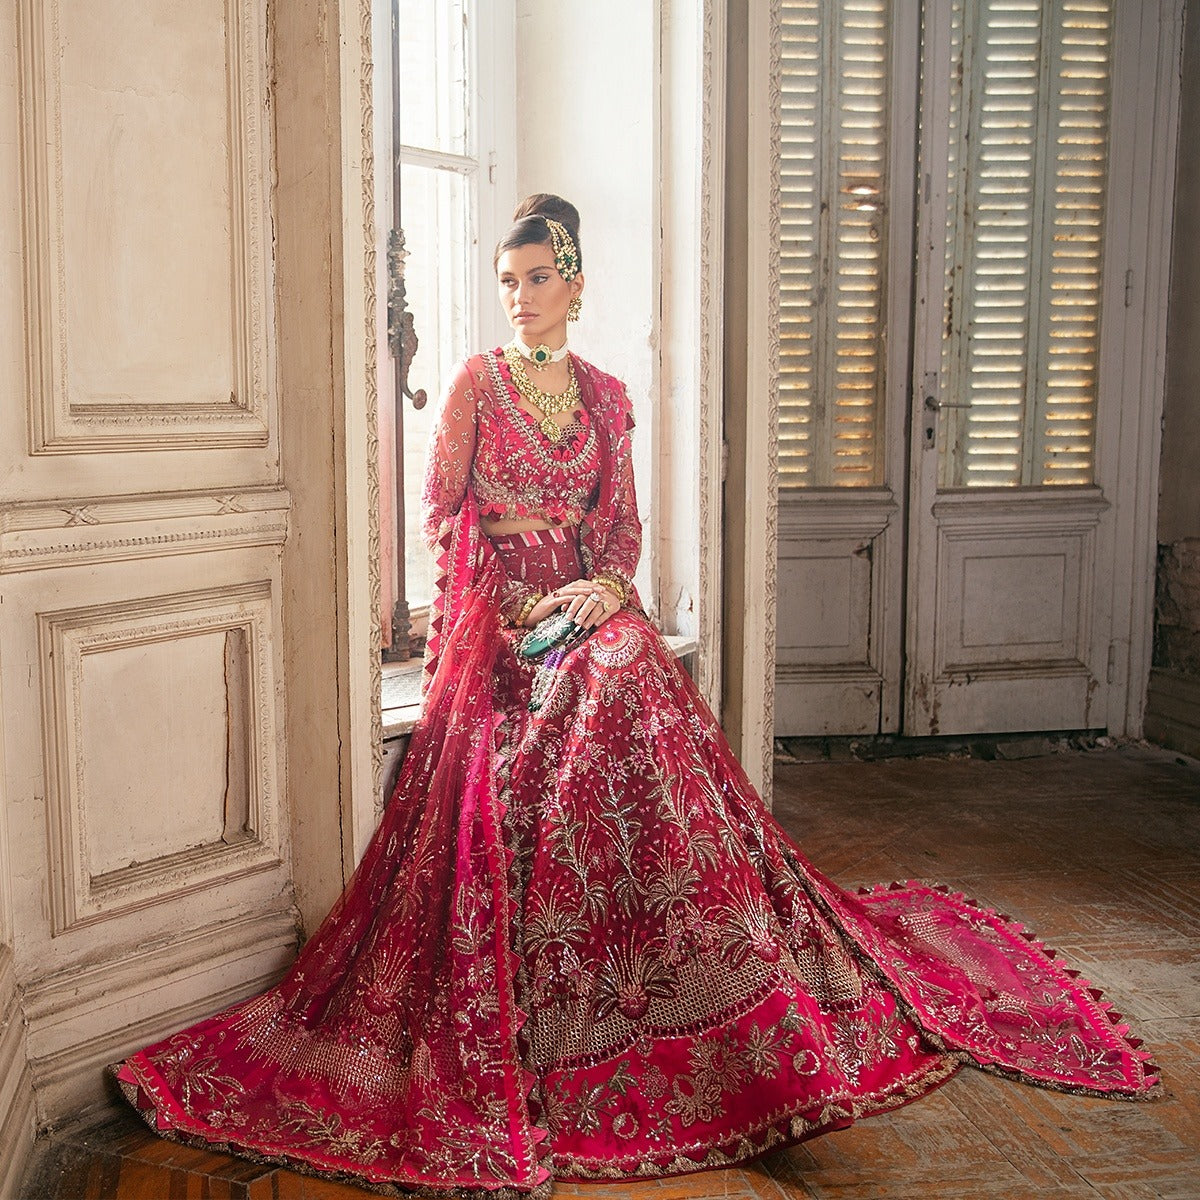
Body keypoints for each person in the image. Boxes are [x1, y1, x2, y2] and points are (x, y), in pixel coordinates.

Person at [114, 195, 1158, 1196]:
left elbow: (621, 531)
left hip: (587, 607)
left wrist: (603, 590)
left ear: (574, 284)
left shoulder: (607, 397)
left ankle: (697, 939)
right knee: (614, 673)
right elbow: (440, 520)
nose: (520, 297)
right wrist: (514, 607)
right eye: (507, 280)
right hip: (504, 626)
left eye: (537, 279)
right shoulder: (477, 384)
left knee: (628, 663)